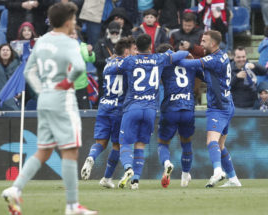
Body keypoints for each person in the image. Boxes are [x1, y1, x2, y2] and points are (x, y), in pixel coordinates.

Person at [1, 2, 97, 215]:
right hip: (63, 100)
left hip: (46, 100)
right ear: (66, 21)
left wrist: (42, 90)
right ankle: (72, 206)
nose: (75, 23)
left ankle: (15, 188)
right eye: (73, 19)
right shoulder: (69, 43)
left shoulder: (41, 41)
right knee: (70, 150)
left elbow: (28, 72)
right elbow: (80, 67)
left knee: (43, 151)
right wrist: (66, 82)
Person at [117, 34, 188, 189]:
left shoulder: (129, 60)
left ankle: (128, 168)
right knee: (141, 144)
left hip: (133, 107)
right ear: (151, 46)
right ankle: (135, 181)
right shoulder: (159, 58)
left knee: (125, 143)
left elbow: (117, 67)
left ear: (135, 47)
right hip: (150, 110)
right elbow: (182, 54)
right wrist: (172, 53)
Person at [178, 30, 241, 187]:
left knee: (211, 141)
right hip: (227, 104)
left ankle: (218, 171)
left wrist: (173, 58)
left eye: (204, 41)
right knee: (220, 145)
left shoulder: (213, 59)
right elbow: (205, 74)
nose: (201, 44)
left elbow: (187, 64)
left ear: (213, 43)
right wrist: (194, 61)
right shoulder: (221, 56)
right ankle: (233, 179)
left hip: (219, 107)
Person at [80, 38, 132, 188]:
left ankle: (91, 157)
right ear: (126, 51)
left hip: (104, 106)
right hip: (118, 108)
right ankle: (107, 178)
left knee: (100, 143)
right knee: (116, 144)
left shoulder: (108, 64)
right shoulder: (127, 65)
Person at [155, 43, 198, 188]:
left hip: (170, 109)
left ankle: (167, 163)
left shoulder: (163, 64)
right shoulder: (189, 64)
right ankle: (185, 176)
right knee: (186, 143)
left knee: (163, 143)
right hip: (188, 108)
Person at [94, 21, 122, 100]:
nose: (115, 35)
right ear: (108, 31)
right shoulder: (101, 43)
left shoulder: (124, 43)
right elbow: (96, 62)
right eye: (112, 32)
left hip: (120, 78)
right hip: (105, 79)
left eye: (117, 32)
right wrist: (109, 60)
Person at [70, 27, 96, 109]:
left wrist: (90, 52)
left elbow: (90, 59)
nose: (71, 36)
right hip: (67, 86)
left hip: (81, 85)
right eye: (69, 34)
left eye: (73, 34)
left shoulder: (82, 46)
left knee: (84, 111)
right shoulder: (62, 47)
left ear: (77, 36)